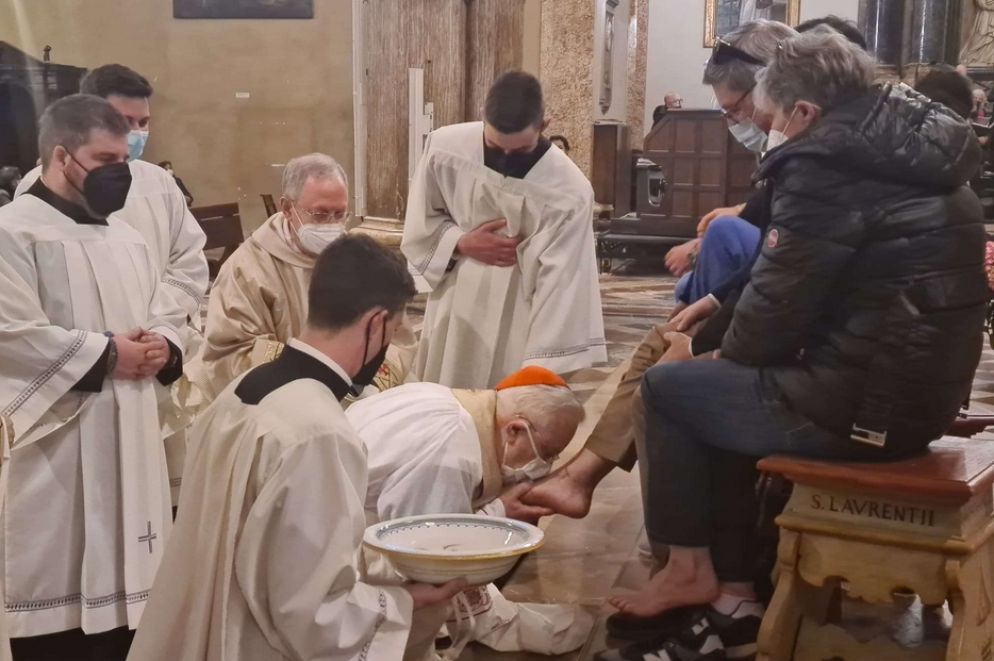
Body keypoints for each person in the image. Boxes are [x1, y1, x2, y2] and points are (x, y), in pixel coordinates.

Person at [600, 29, 986, 661]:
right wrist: (721, 307)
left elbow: (775, 317)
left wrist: (703, 353)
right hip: (915, 394)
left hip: (866, 409)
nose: (768, 129)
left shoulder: (824, 162)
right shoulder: (907, 143)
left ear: (804, 112)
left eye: (772, 116)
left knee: (670, 390)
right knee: (716, 397)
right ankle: (736, 599)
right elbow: (810, 271)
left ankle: (688, 569)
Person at [127, 234, 465, 661]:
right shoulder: (319, 432)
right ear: (377, 323)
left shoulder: (236, 394)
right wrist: (406, 602)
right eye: (395, 331)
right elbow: (310, 613)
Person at [523, 20, 795, 520]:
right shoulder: (797, 157)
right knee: (666, 337)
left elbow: (788, 281)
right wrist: (710, 305)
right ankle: (581, 479)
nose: (739, 121)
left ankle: (689, 552)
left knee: (667, 378)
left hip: (817, 366)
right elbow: (772, 263)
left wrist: (711, 340)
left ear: (777, 90)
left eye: (739, 108)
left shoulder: (817, 168)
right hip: (790, 330)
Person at [0, 94, 187, 660]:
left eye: (124, 161)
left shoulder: (127, 238)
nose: (120, 175)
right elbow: (10, 331)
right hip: (58, 445)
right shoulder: (13, 231)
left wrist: (164, 344)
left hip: (131, 433)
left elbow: (168, 307)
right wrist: (106, 356)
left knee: (137, 622)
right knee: (61, 606)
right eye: (106, 160)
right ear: (62, 157)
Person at [14, 64, 209, 505]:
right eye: (124, 124)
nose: (136, 135)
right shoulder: (35, 200)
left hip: (149, 368)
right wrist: (107, 350)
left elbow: (188, 263)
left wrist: (160, 332)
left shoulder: (158, 186)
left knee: (152, 504)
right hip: (78, 385)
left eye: (143, 124)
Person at [346, 366, 592, 655]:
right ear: (514, 430)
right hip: (345, 543)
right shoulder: (451, 453)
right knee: (434, 588)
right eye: (546, 453)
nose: (546, 465)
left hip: (352, 511)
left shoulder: (448, 404)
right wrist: (499, 512)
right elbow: (429, 551)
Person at [402, 70, 606, 389]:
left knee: (507, 405)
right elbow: (421, 219)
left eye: (519, 150)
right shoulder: (445, 148)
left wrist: (538, 370)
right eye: (495, 146)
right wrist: (460, 242)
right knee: (444, 395)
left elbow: (564, 281)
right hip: (456, 298)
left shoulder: (570, 190)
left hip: (521, 311)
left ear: (545, 126)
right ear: (483, 119)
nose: (505, 160)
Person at [190, 152, 417, 402]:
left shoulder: (364, 261)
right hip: (283, 406)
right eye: (320, 215)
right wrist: (323, 376)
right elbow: (232, 351)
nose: (331, 225)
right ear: (287, 208)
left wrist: (369, 382)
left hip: (362, 397)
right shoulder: (247, 269)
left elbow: (398, 335)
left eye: (340, 214)